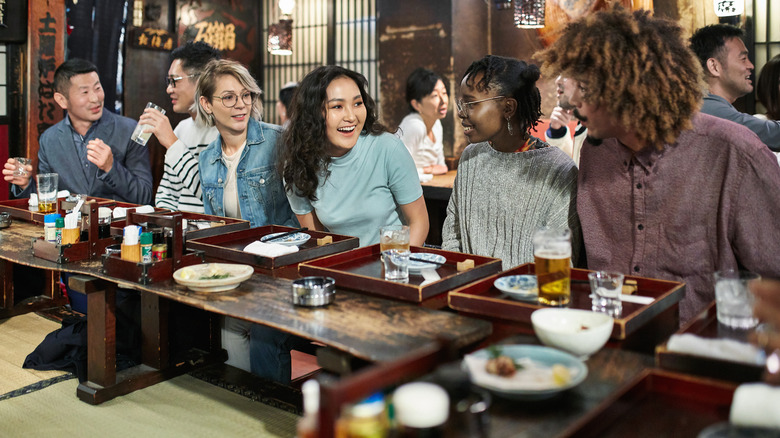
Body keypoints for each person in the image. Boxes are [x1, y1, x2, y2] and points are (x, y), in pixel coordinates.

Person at [539, 5, 780, 325]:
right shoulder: (594, 153)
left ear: (630, 85)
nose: (571, 102)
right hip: (606, 337)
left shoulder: (735, 152)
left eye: (584, 86)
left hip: (700, 350)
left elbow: (773, 278)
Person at [195, 59, 298, 374]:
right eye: (228, 97)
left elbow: (304, 210)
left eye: (246, 95)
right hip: (236, 270)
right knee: (226, 342)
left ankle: (272, 410)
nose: (240, 105)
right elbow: (216, 227)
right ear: (206, 104)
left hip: (277, 268)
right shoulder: (207, 159)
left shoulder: (278, 141)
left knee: (266, 346)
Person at [441, 55, 580, 270]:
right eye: (461, 103)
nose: (461, 113)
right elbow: (453, 235)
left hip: (530, 298)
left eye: (470, 104)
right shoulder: (470, 157)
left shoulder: (557, 169)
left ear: (508, 108)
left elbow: (560, 260)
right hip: (469, 291)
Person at [280, 65, 429, 247]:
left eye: (357, 103)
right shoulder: (298, 165)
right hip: (342, 266)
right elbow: (318, 239)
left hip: (394, 264)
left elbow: (419, 223)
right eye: (337, 106)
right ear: (313, 114)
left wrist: (396, 266)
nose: (351, 116)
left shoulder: (387, 148)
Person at [3, 58, 152, 204]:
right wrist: (24, 185)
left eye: (97, 88)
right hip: (68, 227)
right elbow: (47, 202)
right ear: (62, 100)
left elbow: (144, 196)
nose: (95, 98)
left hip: (117, 226)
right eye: (85, 92)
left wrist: (111, 168)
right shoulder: (49, 139)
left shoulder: (131, 130)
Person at [141, 41, 221, 212]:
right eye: (168, 82)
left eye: (174, 81)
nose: (169, 89)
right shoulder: (181, 129)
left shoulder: (224, 131)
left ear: (201, 80)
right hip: (180, 231)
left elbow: (214, 197)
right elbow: (167, 194)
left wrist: (172, 143)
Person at [690, 24, 780, 151]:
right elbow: (773, 134)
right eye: (743, 59)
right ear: (714, 67)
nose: (750, 66)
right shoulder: (707, 107)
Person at [397, 68, 449, 175]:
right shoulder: (414, 126)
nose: (443, 100)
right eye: (435, 96)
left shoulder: (437, 125)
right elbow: (397, 171)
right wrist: (428, 170)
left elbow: (442, 167)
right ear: (416, 104)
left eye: (444, 93)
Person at [545, 75, 587, 166]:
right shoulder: (585, 126)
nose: (557, 81)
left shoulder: (608, 137)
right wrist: (557, 132)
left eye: (566, 74)